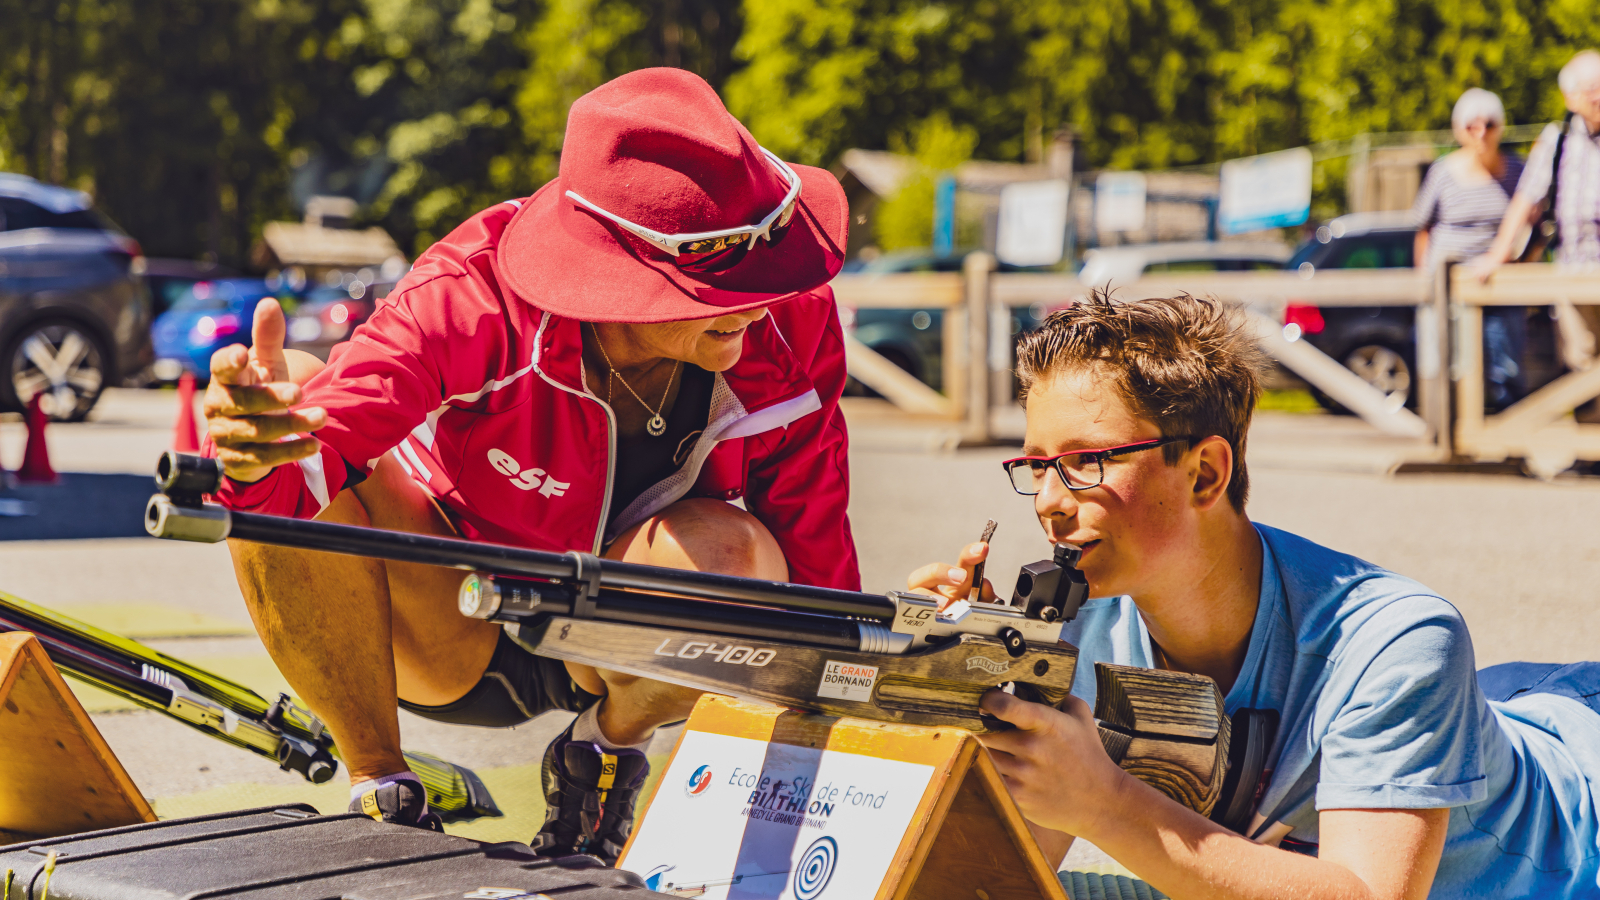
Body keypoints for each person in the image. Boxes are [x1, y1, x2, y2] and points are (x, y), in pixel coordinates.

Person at [202, 69, 855, 861]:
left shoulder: (792, 317)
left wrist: (863, 690)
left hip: (617, 647)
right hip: (453, 624)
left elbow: (813, 540)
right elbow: (282, 494)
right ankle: (381, 782)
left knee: (735, 557)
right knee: (301, 410)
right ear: (619, 266)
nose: (759, 296)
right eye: (723, 276)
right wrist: (252, 450)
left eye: (767, 257)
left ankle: (602, 754)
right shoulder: (467, 296)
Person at [909, 293, 1600, 898]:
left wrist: (1104, 803)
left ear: (1206, 473)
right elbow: (996, 875)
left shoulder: (1399, 641)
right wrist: (953, 694)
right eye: (1036, 467)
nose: (1050, 502)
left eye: (1087, 461)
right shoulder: (1075, 624)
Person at [1475, 50, 1600, 413]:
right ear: (1570, 98)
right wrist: (1498, 254)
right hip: (1573, 271)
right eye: (1590, 88)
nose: (1597, 95)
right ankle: (1589, 453)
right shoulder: (1556, 139)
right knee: (1580, 362)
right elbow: (1525, 201)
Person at [1413, 88, 1527, 409]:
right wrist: (1425, 281)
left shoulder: (1518, 171)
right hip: (1451, 285)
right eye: (1471, 125)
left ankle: (1508, 447)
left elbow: (1533, 224)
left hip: (1500, 285)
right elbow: (1424, 229)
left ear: (1500, 127)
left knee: (1506, 368)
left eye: (1488, 125)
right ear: (1458, 129)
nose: (1480, 133)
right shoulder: (1443, 172)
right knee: (1451, 365)